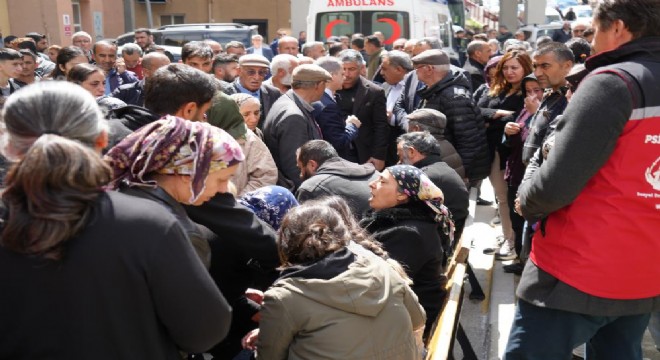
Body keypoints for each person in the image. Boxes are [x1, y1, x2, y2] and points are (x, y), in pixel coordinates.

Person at [0, 81, 232, 358]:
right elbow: (204, 330)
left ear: (9, 147)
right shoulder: (147, 224)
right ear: (101, 139)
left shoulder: (148, 223)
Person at [505, 1, 660, 358]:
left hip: (579, 267)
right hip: (644, 267)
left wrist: (524, 199)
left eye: (594, 31)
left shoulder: (612, 82)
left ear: (618, 28)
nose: (590, 43)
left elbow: (555, 184)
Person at [249, 203, 426, 359]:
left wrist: (272, 326)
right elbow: (418, 319)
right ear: (343, 234)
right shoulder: (380, 267)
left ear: (286, 242)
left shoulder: (283, 298)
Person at [105, 115, 244, 268]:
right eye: (221, 179)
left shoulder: (116, 199)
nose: (223, 189)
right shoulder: (178, 234)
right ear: (188, 173)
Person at [361, 164, 453, 339]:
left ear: (402, 195)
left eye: (382, 181)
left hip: (407, 323)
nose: (372, 184)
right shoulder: (397, 221)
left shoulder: (409, 234)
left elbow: (375, 286)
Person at [405, 49, 491, 184]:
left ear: (429, 69)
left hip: (454, 172)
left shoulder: (454, 97)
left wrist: (460, 175)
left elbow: (469, 142)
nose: (414, 73)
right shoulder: (434, 91)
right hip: (443, 167)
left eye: (417, 69)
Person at [478, 50, 532, 261]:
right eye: (506, 68)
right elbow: (477, 109)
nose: (509, 72)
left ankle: (512, 241)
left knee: (507, 198)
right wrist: (496, 115)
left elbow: (521, 121)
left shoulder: (529, 91)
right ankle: (507, 235)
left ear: (525, 68)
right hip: (492, 150)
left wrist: (493, 119)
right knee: (500, 197)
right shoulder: (498, 89)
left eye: (514, 67)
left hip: (510, 153)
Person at [262, 64, 330, 190]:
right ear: (318, 85)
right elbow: (295, 166)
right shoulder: (294, 116)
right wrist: (309, 193)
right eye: (324, 84)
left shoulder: (289, 101)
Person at [396, 131, 469, 238]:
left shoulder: (425, 177)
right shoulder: (439, 168)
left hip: (441, 239)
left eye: (401, 157)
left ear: (411, 152)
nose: (398, 163)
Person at [207, 92, 277, 196]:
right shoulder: (201, 137)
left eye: (257, 113)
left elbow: (266, 175)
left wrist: (240, 201)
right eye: (246, 114)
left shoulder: (250, 139)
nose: (253, 119)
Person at [336, 49, 390, 170]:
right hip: (335, 152)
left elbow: (380, 126)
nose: (347, 74)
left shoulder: (374, 91)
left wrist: (378, 156)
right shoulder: (328, 88)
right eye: (343, 69)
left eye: (352, 69)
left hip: (363, 152)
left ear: (361, 69)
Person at [296, 140, 379, 218]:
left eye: (300, 168)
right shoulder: (377, 175)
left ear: (312, 165)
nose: (300, 175)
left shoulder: (311, 188)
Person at [313, 56, 362, 158]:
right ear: (331, 76)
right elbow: (339, 142)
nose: (345, 77)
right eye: (342, 74)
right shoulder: (327, 105)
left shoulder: (321, 97)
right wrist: (352, 125)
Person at [405, 108, 465, 180]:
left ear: (416, 129)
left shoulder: (425, 152)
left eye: (409, 125)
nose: (407, 130)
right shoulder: (447, 144)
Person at [227, 54, 282, 127]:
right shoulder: (225, 93)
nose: (257, 77)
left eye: (262, 72)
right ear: (239, 71)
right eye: (251, 72)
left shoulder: (273, 93)